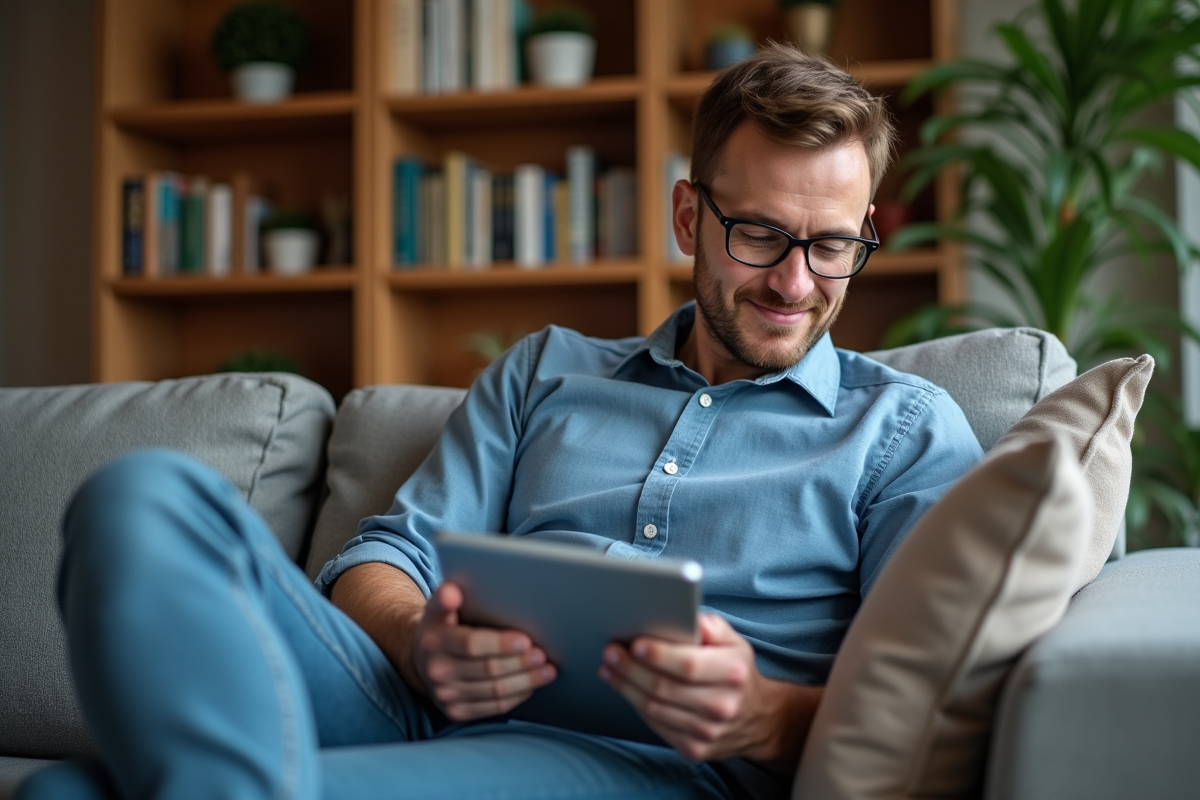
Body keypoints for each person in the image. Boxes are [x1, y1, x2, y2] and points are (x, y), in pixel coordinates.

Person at [19, 44, 982, 800]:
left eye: (832, 247)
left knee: (69, 792)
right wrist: (417, 643)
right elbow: (385, 559)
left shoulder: (901, 430)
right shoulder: (546, 370)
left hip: (659, 767)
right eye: (762, 234)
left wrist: (764, 717)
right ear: (690, 218)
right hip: (414, 707)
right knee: (139, 495)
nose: (795, 282)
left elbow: (940, 708)